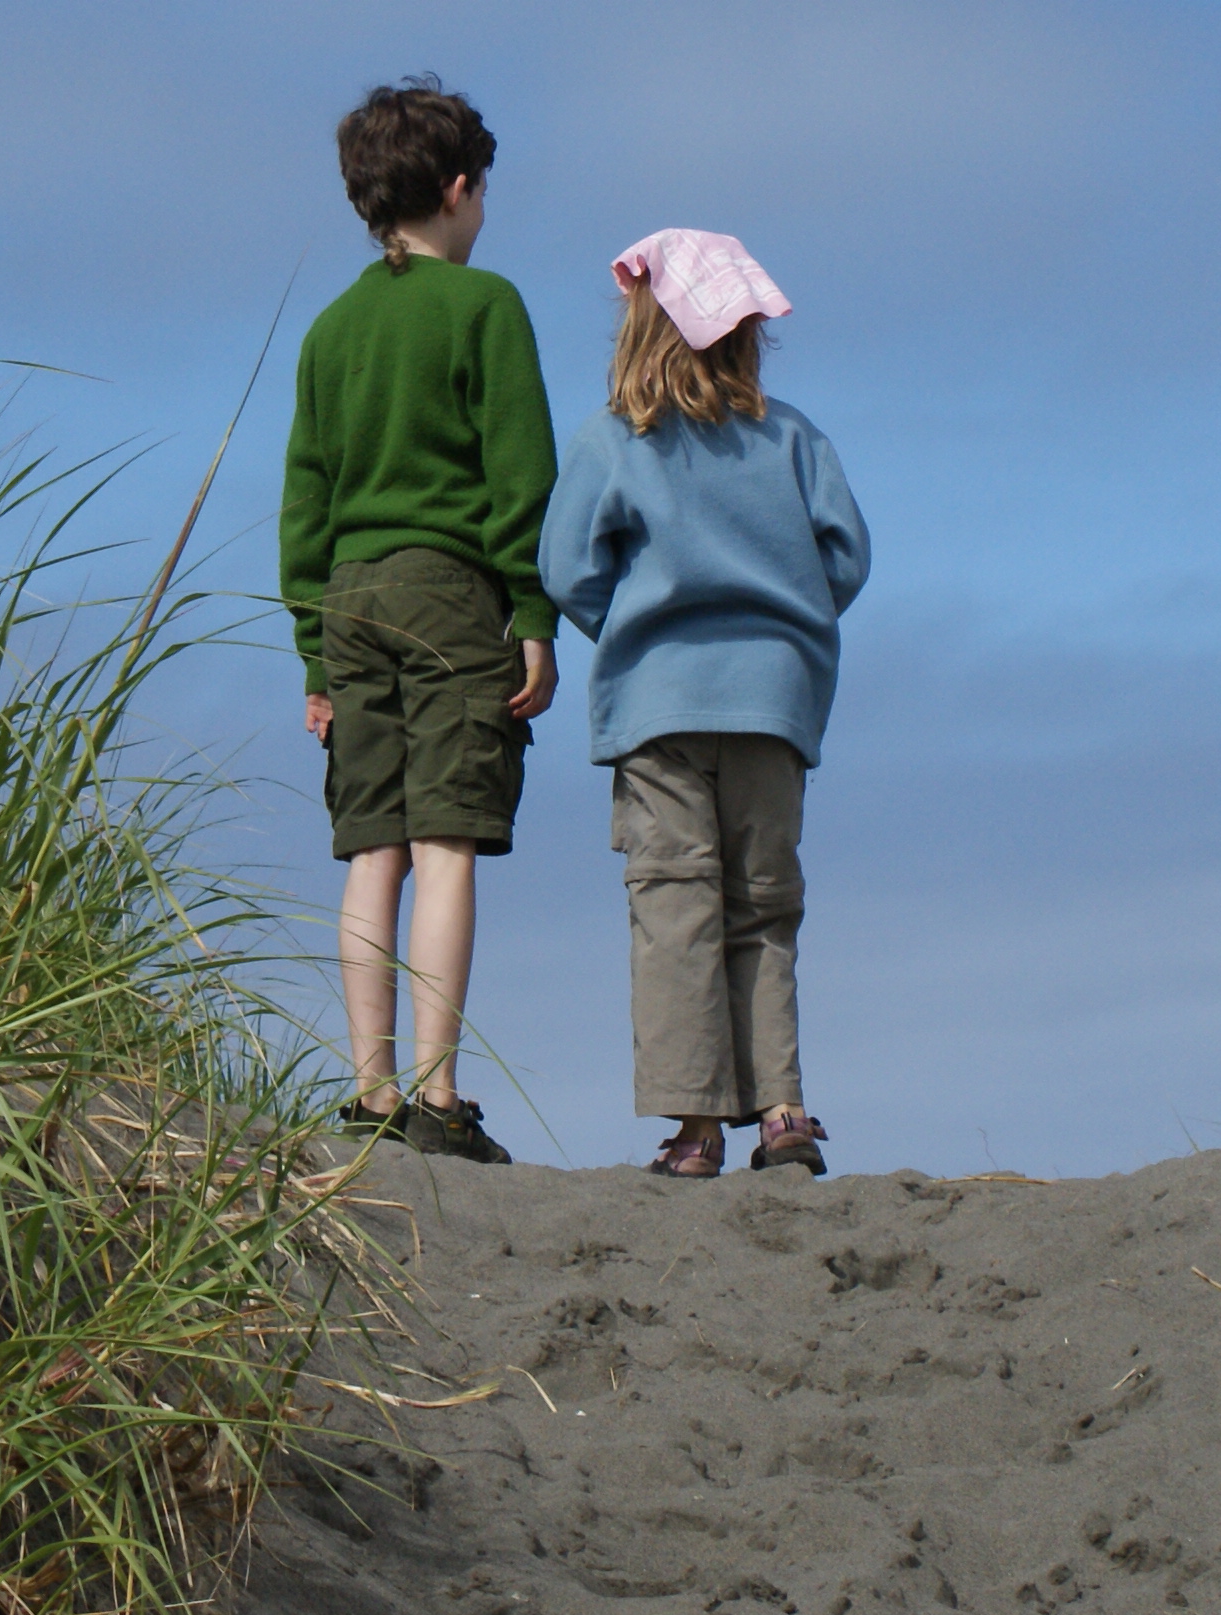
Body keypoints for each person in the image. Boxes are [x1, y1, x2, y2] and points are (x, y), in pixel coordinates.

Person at [538, 229, 869, 1178]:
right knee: (764, 906)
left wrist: (635, 627)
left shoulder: (614, 441)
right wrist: (786, 625)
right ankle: (783, 1111)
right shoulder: (794, 438)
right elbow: (847, 557)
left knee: (675, 905)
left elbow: (566, 569)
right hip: (774, 704)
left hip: (658, 708)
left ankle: (694, 1130)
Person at [282, 78, 560, 1164]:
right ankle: (441, 1099)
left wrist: (313, 650)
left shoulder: (328, 328)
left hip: (348, 597)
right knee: (446, 843)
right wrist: (531, 614)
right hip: (450, 589)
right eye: (480, 190)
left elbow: (302, 502)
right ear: (455, 190)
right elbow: (518, 477)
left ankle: (370, 1090)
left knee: (371, 850)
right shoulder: (484, 306)